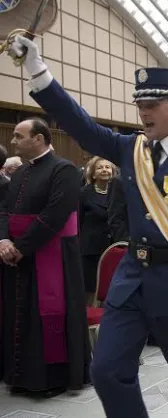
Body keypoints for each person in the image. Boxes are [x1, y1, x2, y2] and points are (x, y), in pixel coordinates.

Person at [10, 35, 168, 418]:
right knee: (106, 371)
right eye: (140, 106)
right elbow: (79, 124)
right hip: (132, 279)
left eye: (151, 105)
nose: (143, 113)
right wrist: (38, 71)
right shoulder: (129, 150)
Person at [0, 118, 90, 397]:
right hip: (18, 255)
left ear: (38, 139)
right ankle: (21, 375)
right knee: (19, 315)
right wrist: (3, 240)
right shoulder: (19, 172)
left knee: (47, 317)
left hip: (52, 256)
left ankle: (51, 379)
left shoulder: (64, 170)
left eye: (18, 136)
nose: (13, 141)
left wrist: (21, 247)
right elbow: (4, 210)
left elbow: (54, 216)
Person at [79, 156, 114, 304]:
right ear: (93, 174)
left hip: (113, 247)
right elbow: (78, 222)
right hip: (90, 249)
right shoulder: (84, 193)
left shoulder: (120, 192)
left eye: (107, 167)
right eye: (100, 167)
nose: (104, 170)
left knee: (112, 288)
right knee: (91, 291)